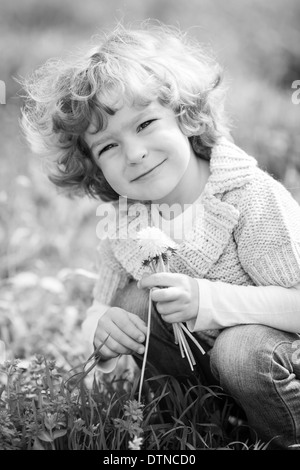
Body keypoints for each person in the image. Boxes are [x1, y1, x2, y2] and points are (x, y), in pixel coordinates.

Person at [20, 21, 300, 449]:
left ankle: (285, 436)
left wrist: (209, 302)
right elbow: (102, 306)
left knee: (239, 351)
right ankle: (193, 424)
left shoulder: (249, 197)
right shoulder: (125, 223)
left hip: (275, 359)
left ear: (186, 116)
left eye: (146, 123)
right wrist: (103, 330)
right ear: (95, 167)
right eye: (109, 147)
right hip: (209, 380)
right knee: (131, 302)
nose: (135, 153)